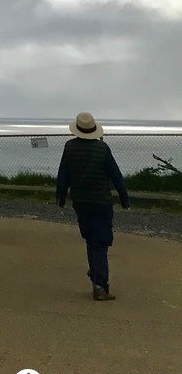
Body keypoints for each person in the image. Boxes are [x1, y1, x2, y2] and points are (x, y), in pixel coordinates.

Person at [56, 111, 130, 300]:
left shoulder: (69, 147)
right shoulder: (102, 148)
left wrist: (61, 197)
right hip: (102, 203)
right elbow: (116, 175)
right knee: (101, 243)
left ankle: (96, 275)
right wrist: (124, 198)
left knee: (90, 239)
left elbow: (63, 174)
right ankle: (100, 285)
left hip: (81, 202)